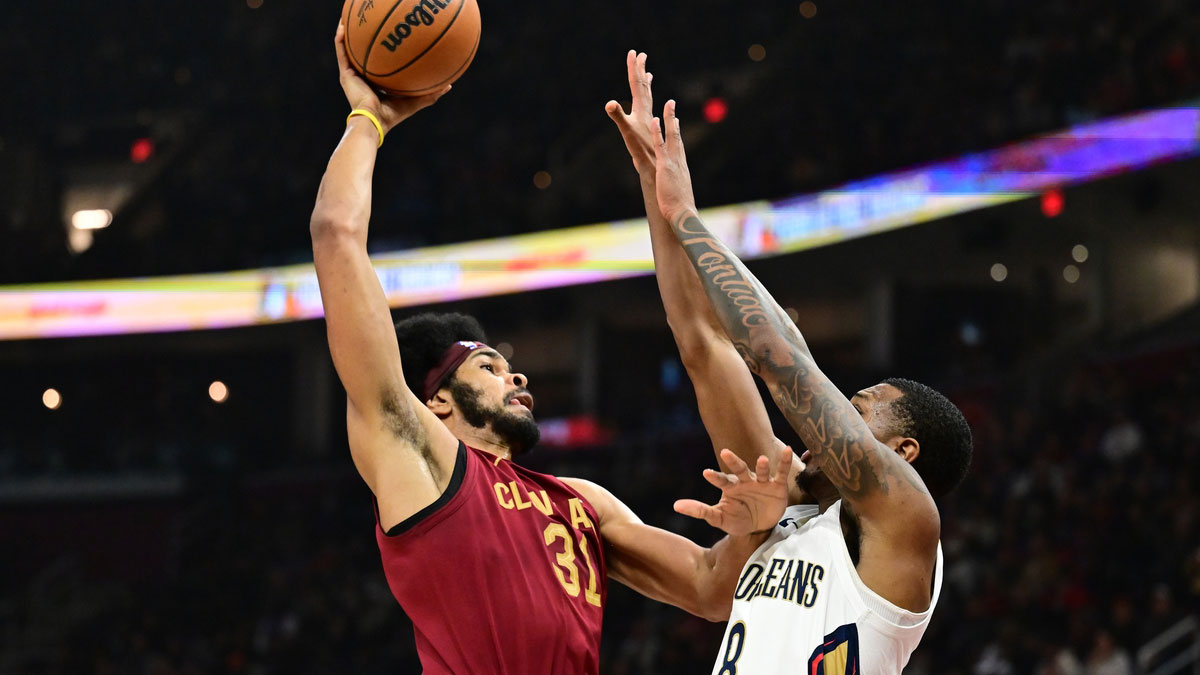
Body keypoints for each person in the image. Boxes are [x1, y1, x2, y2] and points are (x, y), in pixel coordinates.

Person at [309, 24, 794, 675]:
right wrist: (369, 116)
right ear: (439, 404)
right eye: (488, 366)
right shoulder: (414, 450)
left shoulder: (581, 501)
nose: (518, 377)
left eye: (509, 365)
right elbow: (336, 233)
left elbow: (711, 586)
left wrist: (754, 525)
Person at [606, 52, 973, 674]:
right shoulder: (786, 502)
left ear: (903, 453)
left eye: (858, 408)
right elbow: (703, 344)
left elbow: (779, 359)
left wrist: (688, 220)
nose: (832, 415)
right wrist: (657, 182)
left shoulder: (905, 520)